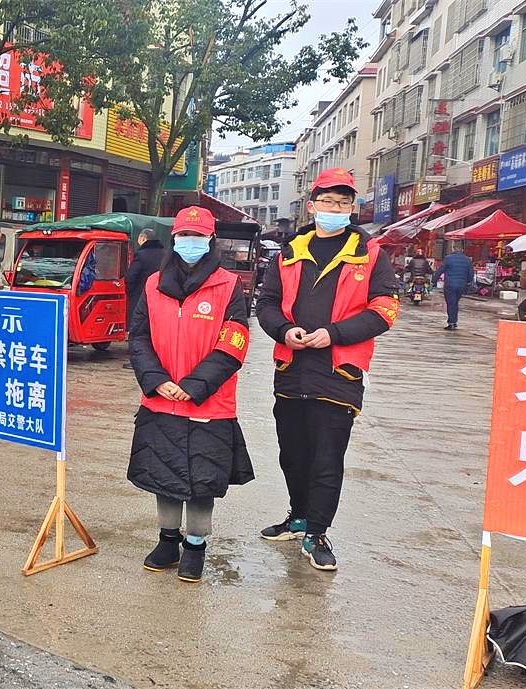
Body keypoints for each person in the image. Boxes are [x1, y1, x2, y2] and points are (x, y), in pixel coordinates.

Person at [255, 168, 399, 572]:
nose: (335, 209)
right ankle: (298, 516)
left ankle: (317, 532)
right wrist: (285, 331)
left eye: (343, 203)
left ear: (352, 208)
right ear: (312, 204)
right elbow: (265, 304)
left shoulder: (370, 254)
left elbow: (385, 310)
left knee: (326, 458)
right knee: (292, 453)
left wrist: (333, 334)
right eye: (328, 201)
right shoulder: (288, 251)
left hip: (340, 373)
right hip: (292, 368)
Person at [128, 206, 254, 584]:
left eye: (198, 236)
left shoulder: (229, 285)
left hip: (208, 402)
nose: (190, 242)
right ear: (174, 238)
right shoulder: (153, 284)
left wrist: (196, 385)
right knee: (162, 475)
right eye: (184, 235)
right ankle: (168, 540)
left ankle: (195, 546)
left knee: (202, 480)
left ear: (211, 240)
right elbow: (138, 337)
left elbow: (234, 341)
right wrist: (156, 379)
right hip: (161, 397)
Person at [123, 229, 164, 370]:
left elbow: (130, 277)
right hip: (163, 298)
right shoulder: (165, 254)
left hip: (141, 297)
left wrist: (130, 293)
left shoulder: (141, 255)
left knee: (138, 330)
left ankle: (137, 361)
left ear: (142, 238)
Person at [432, 245, 475, 330]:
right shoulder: (467, 260)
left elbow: (440, 270)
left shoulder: (448, 258)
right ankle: (454, 321)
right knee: (455, 303)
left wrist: (434, 280)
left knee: (451, 303)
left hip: (450, 284)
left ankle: (451, 322)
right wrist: (468, 282)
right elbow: (471, 273)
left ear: (453, 249)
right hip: (461, 285)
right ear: (462, 250)